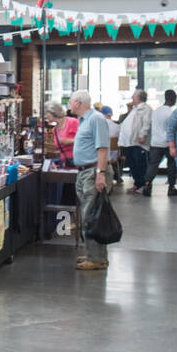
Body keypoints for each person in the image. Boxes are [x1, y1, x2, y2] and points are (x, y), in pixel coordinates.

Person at [70, 89, 112, 271]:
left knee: (91, 216)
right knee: (92, 214)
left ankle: (96, 258)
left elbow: (102, 148)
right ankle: (97, 255)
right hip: (84, 172)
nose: (69, 105)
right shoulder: (84, 120)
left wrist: (100, 173)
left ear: (78, 103)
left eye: (71, 102)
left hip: (92, 172)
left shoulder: (96, 119)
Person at [141, 89, 177, 197]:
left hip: (155, 142)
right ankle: (171, 187)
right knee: (171, 165)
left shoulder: (156, 111)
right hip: (167, 143)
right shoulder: (171, 113)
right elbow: (172, 129)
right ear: (173, 99)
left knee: (153, 165)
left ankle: (147, 184)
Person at [119, 89, 151, 193]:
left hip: (139, 143)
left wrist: (142, 135)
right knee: (132, 164)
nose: (132, 98)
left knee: (140, 164)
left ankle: (143, 185)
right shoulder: (135, 109)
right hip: (130, 142)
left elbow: (147, 123)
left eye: (133, 96)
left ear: (139, 98)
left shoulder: (146, 109)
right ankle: (137, 184)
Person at [45, 100, 78, 167]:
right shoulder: (54, 130)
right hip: (64, 165)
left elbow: (87, 140)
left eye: (46, 113)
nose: (45, 116)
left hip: (78, 164)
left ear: (53, 111)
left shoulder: (73, 122)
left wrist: (70, 141)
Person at [101, 106, 122, 182]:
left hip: (102, 155)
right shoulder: (117, 127)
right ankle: (117, 175)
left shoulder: (100, 126)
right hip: (115, 155)